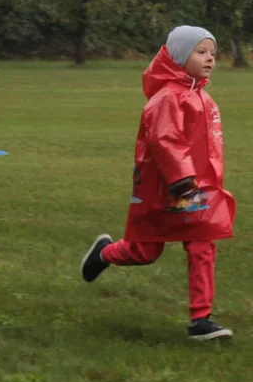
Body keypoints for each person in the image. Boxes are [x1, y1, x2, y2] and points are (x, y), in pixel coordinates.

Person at [81, 26, 236, 340]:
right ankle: (105, 253)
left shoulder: (203, 97)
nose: (209, 59)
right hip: (167, 189)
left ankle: (201, 319)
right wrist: (181, 178)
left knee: (202, 243)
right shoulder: (167, 98)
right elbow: (164, 140)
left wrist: (202, 182)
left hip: (195, 191)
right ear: (180, 55)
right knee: (144, 251)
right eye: (201, 52)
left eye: (213, 54)